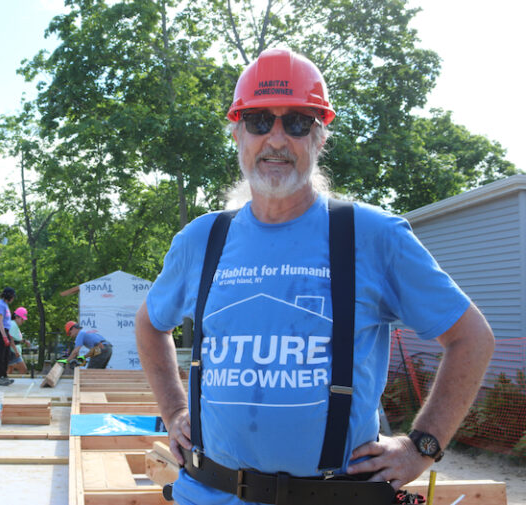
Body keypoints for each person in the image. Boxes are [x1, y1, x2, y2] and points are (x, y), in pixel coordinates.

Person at [135, 47, 495, 505]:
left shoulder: (372, 236)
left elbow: (472, 339)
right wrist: (175, 410)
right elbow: (150, 324)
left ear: (320, 137)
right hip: (208, 492)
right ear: (237, 134)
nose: (278, 139)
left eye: (298, 123)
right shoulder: (202, 240)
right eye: (261, 122)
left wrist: (421, 445)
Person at [0, 286, 16, 386]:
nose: (13, 299)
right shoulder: (1, 305)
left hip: (5, 331)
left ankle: (4, 376)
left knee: (6, 355)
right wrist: (4, 336)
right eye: (12, 296)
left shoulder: (5, 305)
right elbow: (0, 321)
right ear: (9, 296)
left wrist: (8, 334)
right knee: (0, 355)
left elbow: (6, 322)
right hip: (0, 331)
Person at [7, 306, 31, 375]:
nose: (23, 321)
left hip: (13, 351)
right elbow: (10, 339)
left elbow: (16, 339)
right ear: (16, 317)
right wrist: (16, 351)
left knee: (10, 370)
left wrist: (24, 341)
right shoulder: (13, 325)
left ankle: (5, 382)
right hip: (13, 351)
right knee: (23, 369)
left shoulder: (14, 325)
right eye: (22, 319)